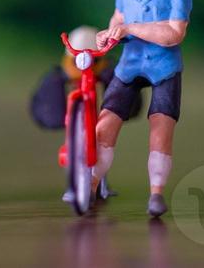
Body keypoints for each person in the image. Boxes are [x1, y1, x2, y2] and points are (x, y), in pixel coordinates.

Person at [93, 0, 192, 218]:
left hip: (164, 67)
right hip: (130, 63)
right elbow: (119, 18)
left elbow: (173, 34)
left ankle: (156, 193)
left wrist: (130, 29)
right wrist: (109, 34)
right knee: (105, 122)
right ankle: (90, 184)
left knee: (161, 128)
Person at [29, 25, 138, 202]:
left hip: (98, 97)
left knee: (103, 137)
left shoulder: (105, 69)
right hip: (77, 98)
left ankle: (99, 180)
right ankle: (77, 180)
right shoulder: (61, 75)